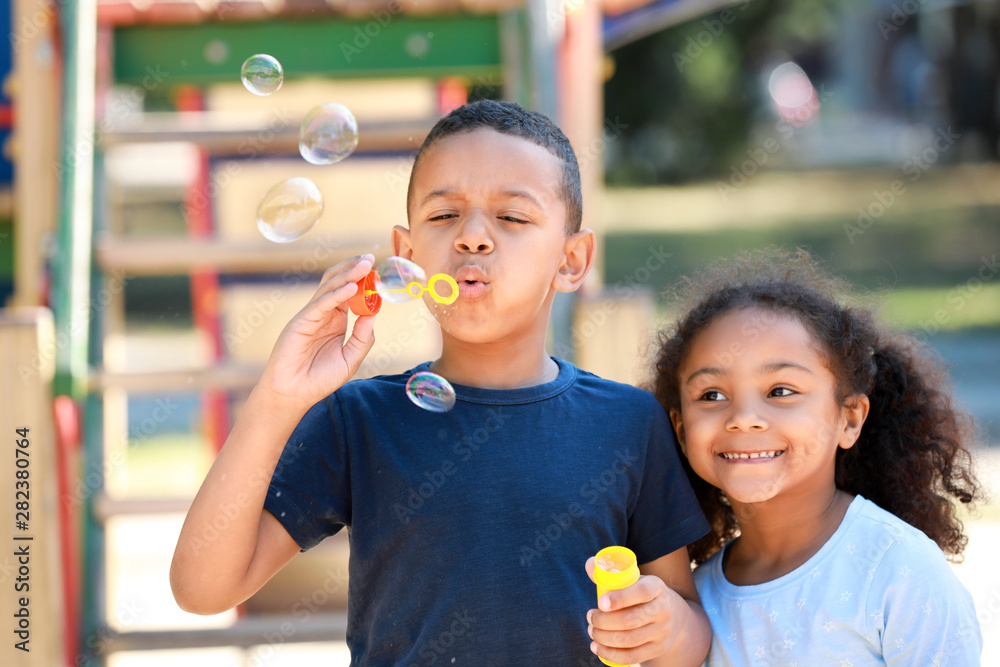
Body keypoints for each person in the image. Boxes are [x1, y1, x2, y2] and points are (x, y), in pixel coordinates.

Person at [170, 99, 712, 666]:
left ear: (572, 260)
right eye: (443, 216)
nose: (473, 238)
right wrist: (279, 396)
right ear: (407, 255)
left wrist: (668, 629)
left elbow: (690, 628)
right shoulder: (360, 419)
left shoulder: (628, 422)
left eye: (513, 218)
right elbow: (201, 589)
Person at [649, 248, 983, 665]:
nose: (744, 419)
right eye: (712, 395)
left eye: (781, 391)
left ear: (849, 418)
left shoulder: (899, 571)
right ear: (680, 430)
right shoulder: (695, 608)